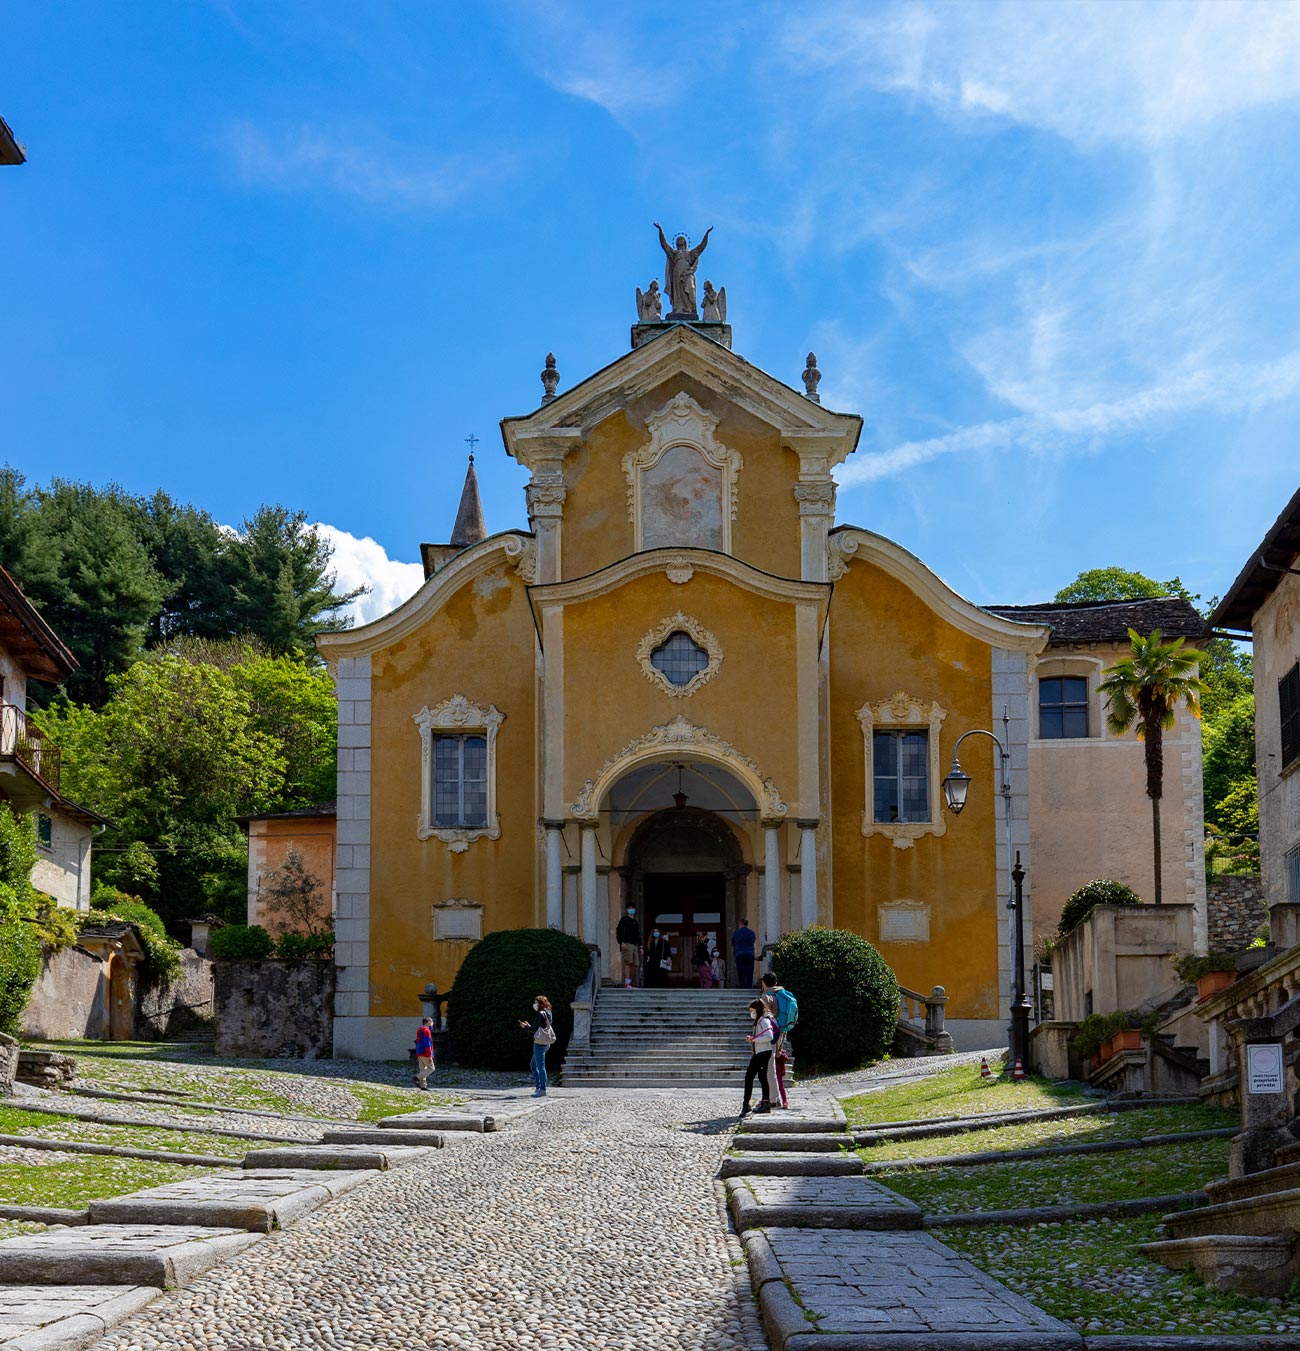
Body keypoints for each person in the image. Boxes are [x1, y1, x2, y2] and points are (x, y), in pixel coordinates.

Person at [761, 971, 798, 1110]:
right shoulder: (780, 993)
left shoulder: (766, 997)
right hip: (781, 1033)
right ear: (775, 982)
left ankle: (773, 1098)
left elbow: (762, 1018)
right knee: (774, 1067)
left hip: (771, 1035)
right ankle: (778, 1097)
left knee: (769, 1067)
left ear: (763, 983)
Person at [740, 997, 778, 1117]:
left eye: (752, 1011)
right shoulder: (760, 1020)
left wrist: (755, 1039)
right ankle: (763, 1103)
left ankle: (748, 1105)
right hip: (761, 1052)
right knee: (761, 1077)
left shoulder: (764, 1020)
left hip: (763, 1052)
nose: (751, 1014)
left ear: (757, 1010)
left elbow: (769, 1036)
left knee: (750, 1076)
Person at [518, 994, 555, 1097]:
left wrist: (525, 1027)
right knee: (533, 1065)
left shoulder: (540, 1014)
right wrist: (530, 1026)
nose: (534, 1004)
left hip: (539, 1044)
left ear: (540, 1004)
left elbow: (533, 1029)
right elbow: (543, 1026)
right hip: (546, 1042)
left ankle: (542, 1089)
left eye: (536, 1002)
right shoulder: (549, 1012)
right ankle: (539, 1087)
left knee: (540, 1066)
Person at [616, 905, 642, 988]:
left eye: (633, 908)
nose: (631, 910)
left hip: (635, 945)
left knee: (635, 964)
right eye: (630, 908)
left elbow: (638, 935)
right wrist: (621, 942)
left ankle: (631, 982)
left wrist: (641, 946)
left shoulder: (635, 922)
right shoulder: (624, 920)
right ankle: (627, 983)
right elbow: (619, 931)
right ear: (627, 910)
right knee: (628, 962)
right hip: (627, 943)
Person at [731, 917, 757, 988]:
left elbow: (733, 943)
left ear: (740, 924)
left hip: (739, 954)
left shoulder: (736, 933)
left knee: (741, 971)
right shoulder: (751, 932)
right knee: (749, 971)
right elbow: (753, 940)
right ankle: (749, 986)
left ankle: (742, 986)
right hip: (750, 954)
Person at [413, 1015, 435, 1091]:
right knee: (431, 1068)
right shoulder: (426, 1031)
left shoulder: (420, 1030)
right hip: (425, 1053)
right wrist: (429, 1056)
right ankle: (417, 1077)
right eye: (432, 1022)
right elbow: (427, 1044)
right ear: (428, 1022)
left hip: (419, 1052)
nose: (432, 1024)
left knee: (423, 1069)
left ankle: (423, 1086)